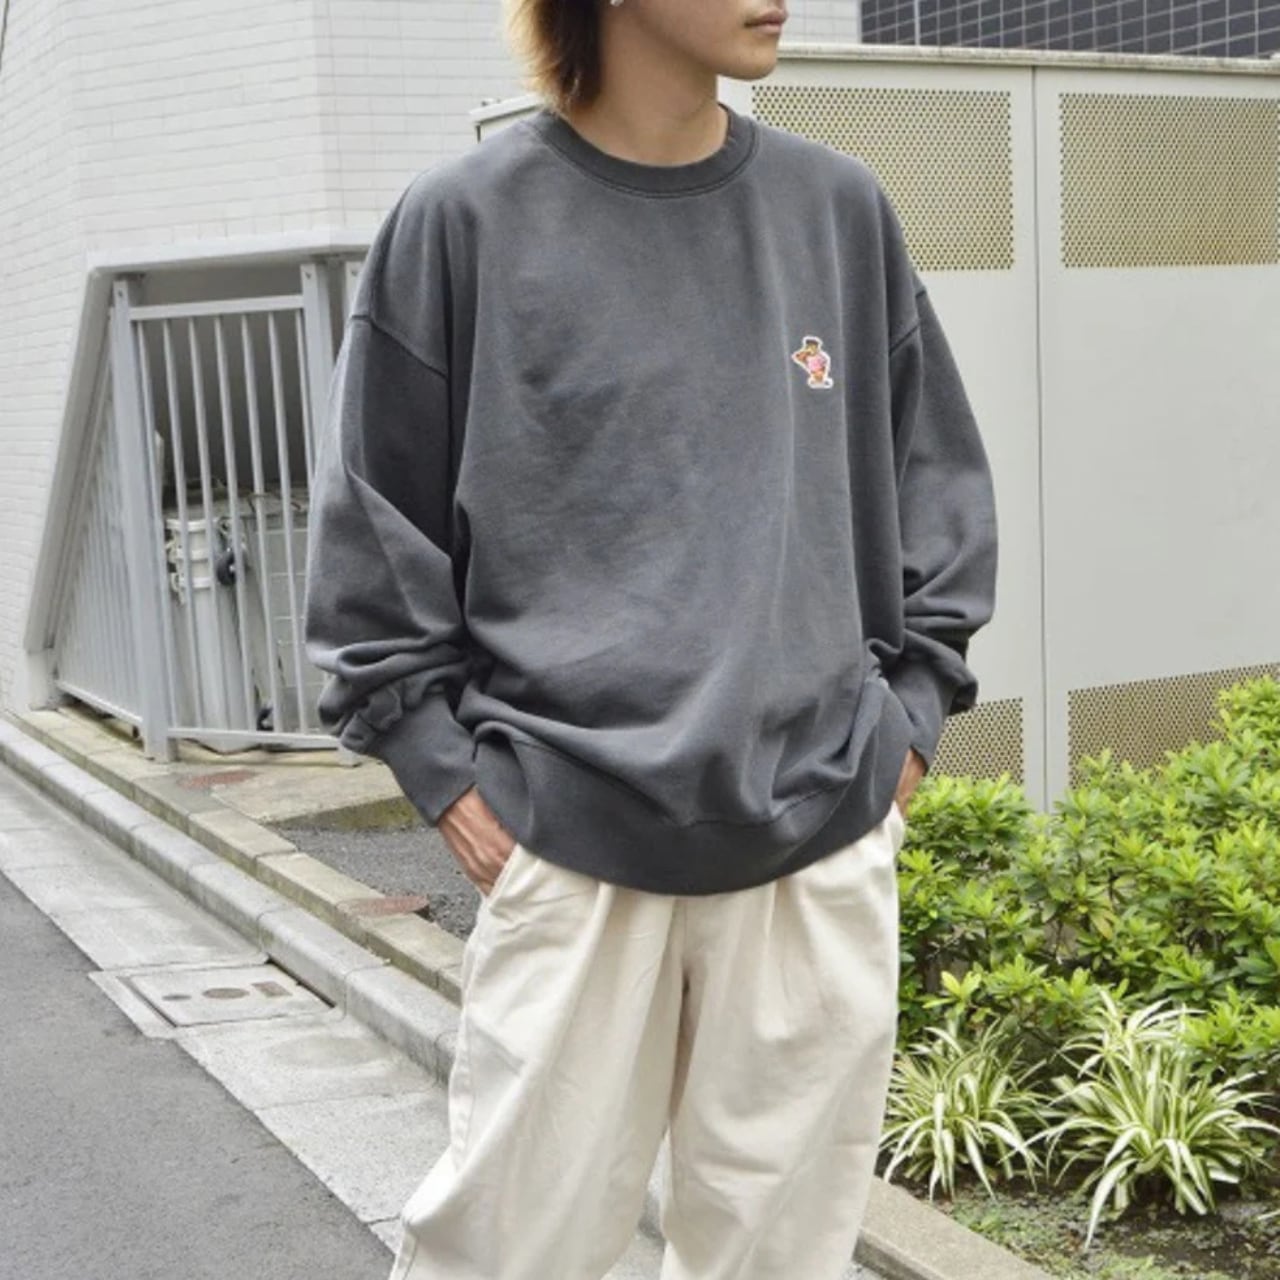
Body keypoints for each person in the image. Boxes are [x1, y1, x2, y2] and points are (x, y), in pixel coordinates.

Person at [303, 1, 998, 1276]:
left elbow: (933, 484)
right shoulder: (463, 222)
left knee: (778, 1258)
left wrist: (907, 721)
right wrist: (444, 773)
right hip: (567, 837)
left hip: (815, 832)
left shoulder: (836, 211)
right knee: (505, 1252)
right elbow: (373, 526)